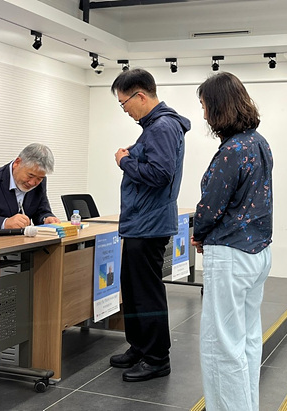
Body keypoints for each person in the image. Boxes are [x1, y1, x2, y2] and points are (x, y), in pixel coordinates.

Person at [191, 72, 273, 411]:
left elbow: (211, 205)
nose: (204, 114)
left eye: (204, 106)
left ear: (218, 106)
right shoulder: (258, 142)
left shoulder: (231, 150)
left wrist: (199, 233)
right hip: (258, 252)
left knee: (221, 346)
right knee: (248, 341)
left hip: (230, 255)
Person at [108, 68, 190, 382]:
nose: (124, 110)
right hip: (141, 222)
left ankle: (157, 358)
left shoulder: (162, 127)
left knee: (146, 292)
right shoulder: (154, 127)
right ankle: (140, 347)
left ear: (140, 95)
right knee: (133, 290)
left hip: (149, 223)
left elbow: (160, 174)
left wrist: (124, 161)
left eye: (124, 103)